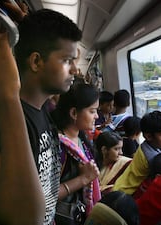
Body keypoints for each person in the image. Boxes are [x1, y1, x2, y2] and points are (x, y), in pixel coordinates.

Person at [0, 5, 83, 225]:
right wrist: (7, 95)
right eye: (67, 60)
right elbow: (23, 218)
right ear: (36, 62)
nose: (75, 70)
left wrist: (30, 25)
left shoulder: (41, 111)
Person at [51, 83, 101, 224]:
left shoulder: (81, 139)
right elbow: (46, 195)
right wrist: (83, 179)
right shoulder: (58, 146)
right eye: (92, 111)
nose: (97, 116)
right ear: (73, 113)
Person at [113, 111, 161, 195]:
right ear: (148, 136)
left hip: (120, 185)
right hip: (126, 193)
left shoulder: (146, 145)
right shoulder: (152, 158)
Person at [94, 131, 132, 196]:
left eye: (121, 148)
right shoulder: (91, 166)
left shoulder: (124, 163)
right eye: (117, 149)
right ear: (104, 149)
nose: (121, 152)